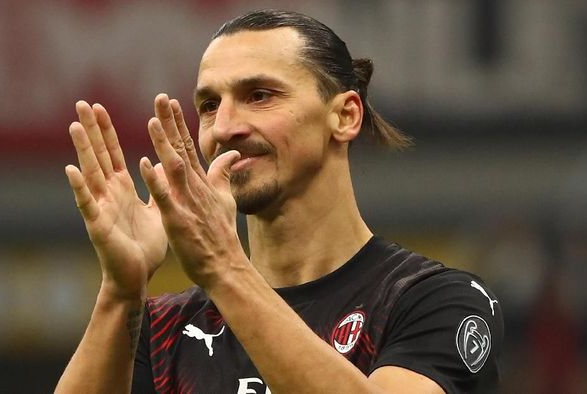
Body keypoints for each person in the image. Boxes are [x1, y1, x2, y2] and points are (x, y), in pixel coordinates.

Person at [55, 9, 503, 394]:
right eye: (210, 105)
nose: (225, 126)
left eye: (260, 96)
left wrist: (223, 268)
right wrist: (121, 291)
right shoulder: (165, 330)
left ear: (345, 115)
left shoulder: (431, 300)